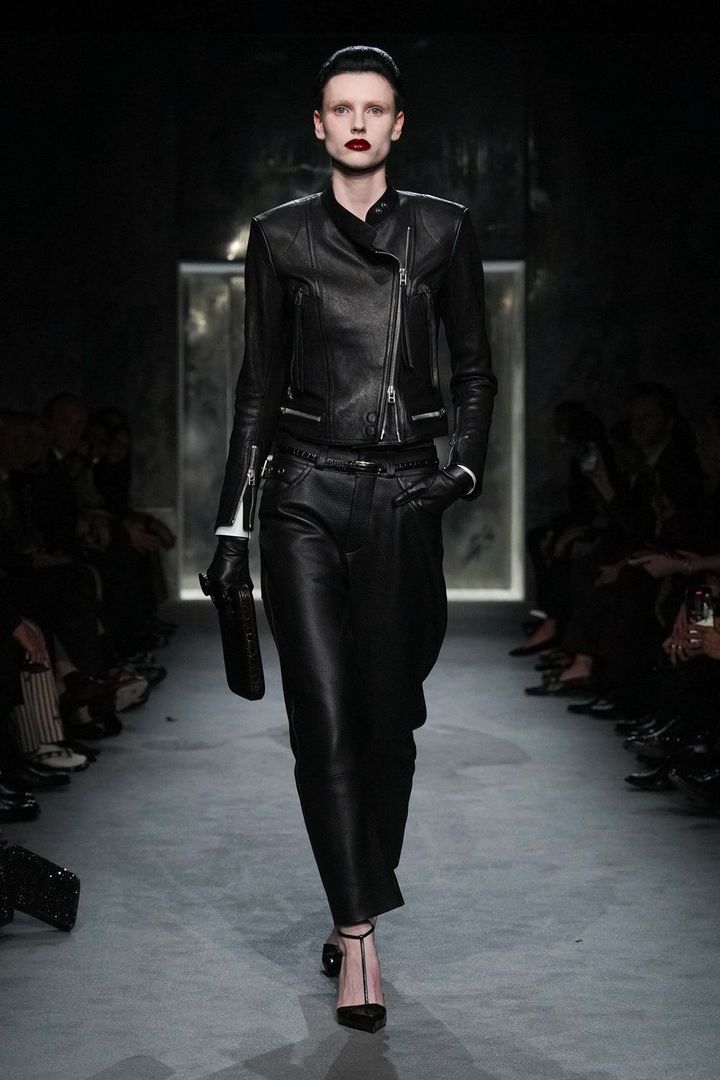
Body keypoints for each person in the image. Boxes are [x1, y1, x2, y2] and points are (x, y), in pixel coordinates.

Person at [203, 44, 496, 1034]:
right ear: (320, 125)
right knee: (323, 721)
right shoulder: (279, 236)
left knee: (388, 725)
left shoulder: (445, 229)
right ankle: (359, 935)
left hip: (406, 497)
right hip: (303, 497)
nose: (359, 123)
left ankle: (355, 896)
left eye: (376, 108)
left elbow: (475, 368)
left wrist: (462, 470)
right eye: (343, 108)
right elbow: (256, 388)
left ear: (398, 124)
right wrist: (233, 523)